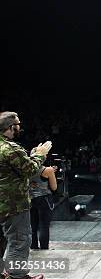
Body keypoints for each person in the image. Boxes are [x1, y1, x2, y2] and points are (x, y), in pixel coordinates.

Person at [0, 111, 51, 279]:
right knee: (19, 241)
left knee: (3, 242)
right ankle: (18, 276)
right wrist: (40, 154)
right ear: (10, 127)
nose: (19, 127)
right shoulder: (10, 148)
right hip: (13, 205)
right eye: (18, 124)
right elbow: (29, 170)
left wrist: (30, 156)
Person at [29, 158, 57, 250]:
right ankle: (44, 248)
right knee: (44, 225)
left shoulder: (25, 169)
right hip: (44, 199)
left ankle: (33, 246)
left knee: (33, 226)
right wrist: (52, 173)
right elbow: (54, 187)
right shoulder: (48, 170)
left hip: (30, 199)